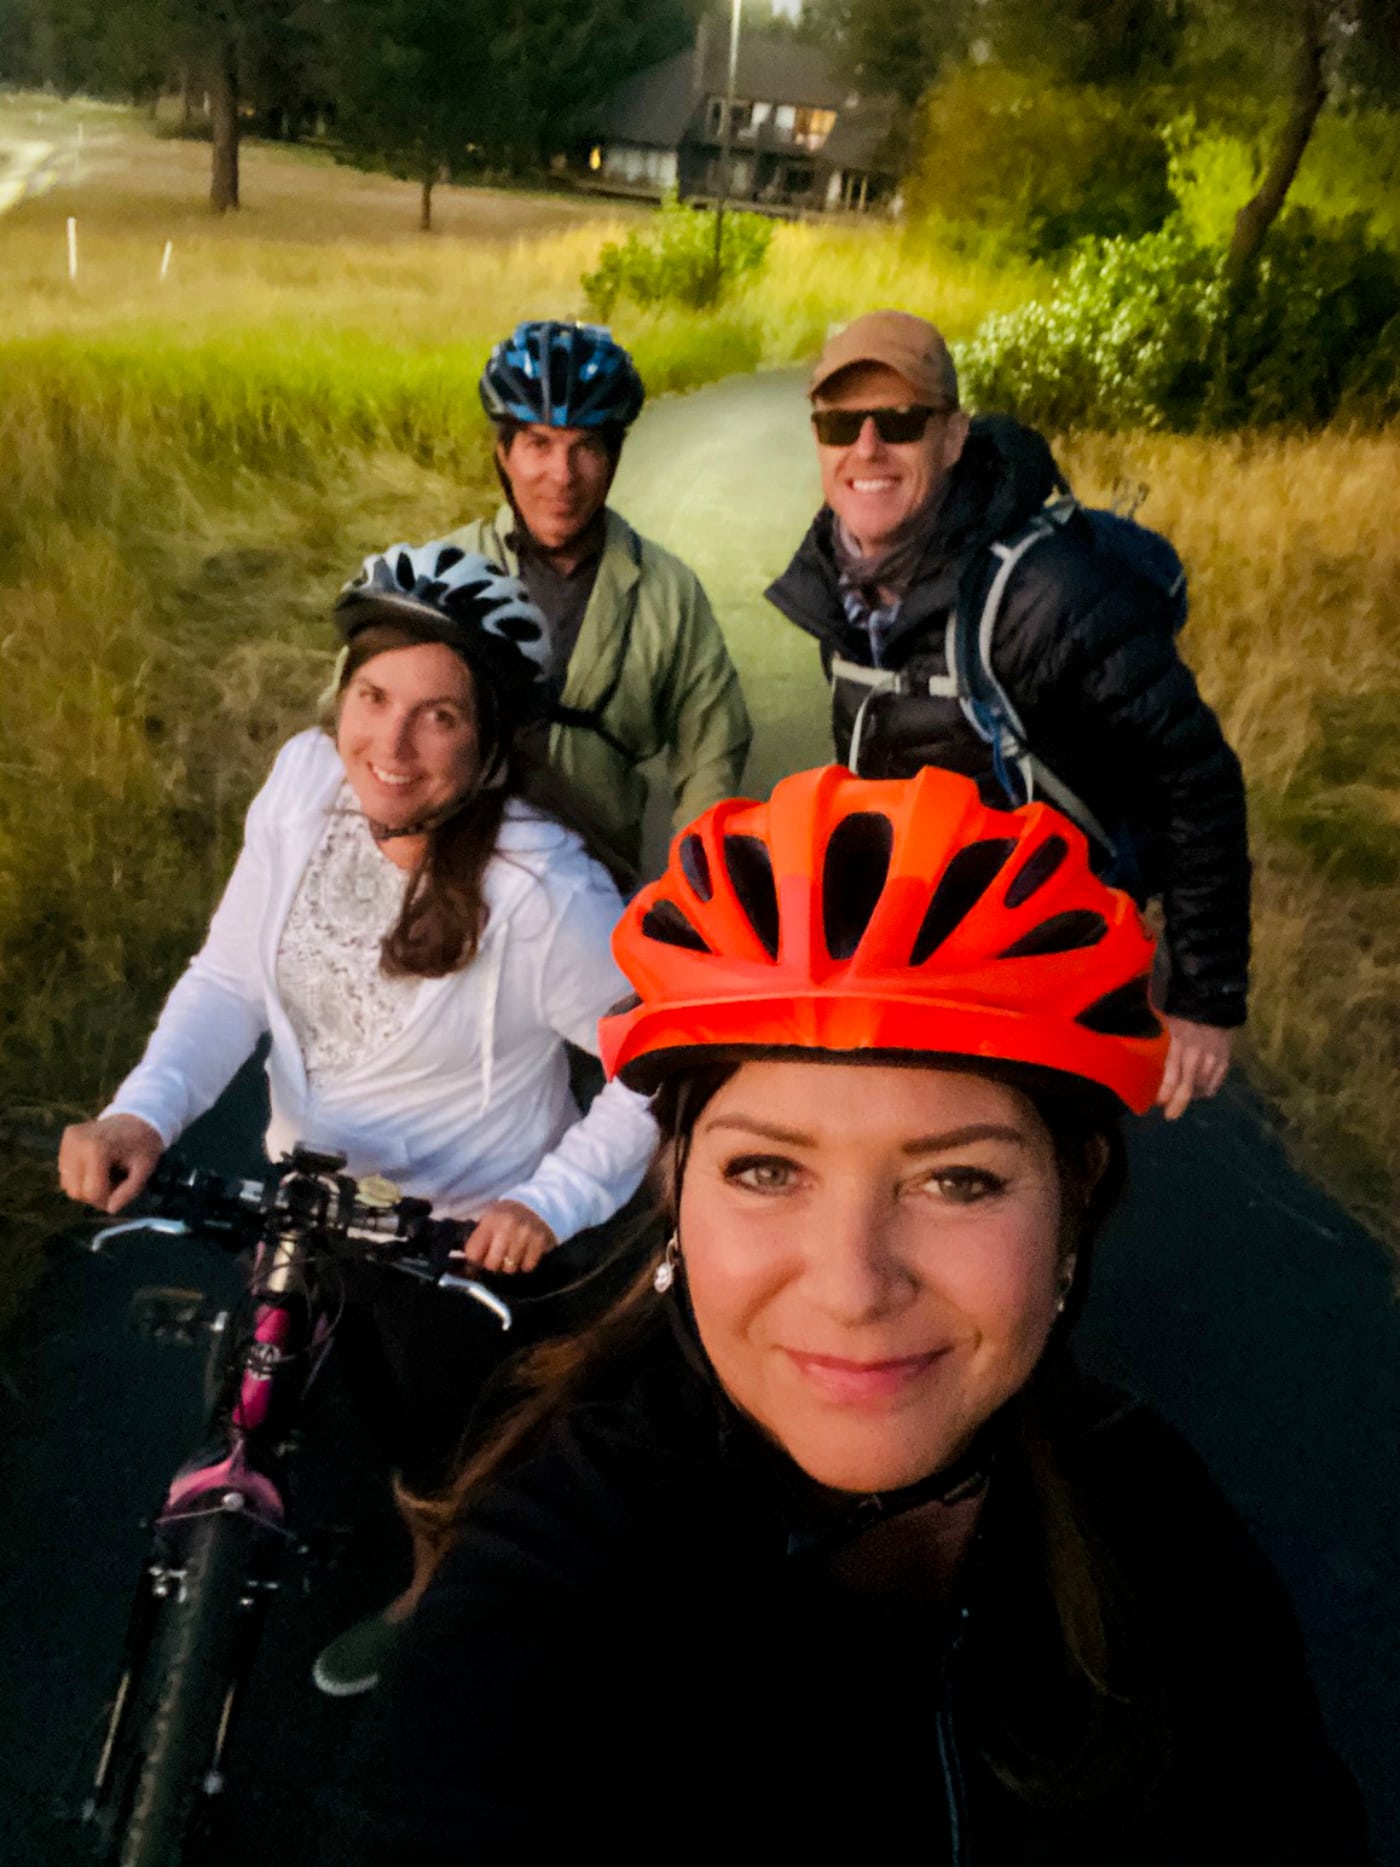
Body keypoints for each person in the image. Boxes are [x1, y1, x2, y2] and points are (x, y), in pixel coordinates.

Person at [344, 766, 1367, 1863]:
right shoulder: (543, 1594)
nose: (849, 1285)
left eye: (956, 1180)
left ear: (1074, 1196)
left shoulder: (1154, 1516)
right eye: (767, 1170)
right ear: (674, 1190)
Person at [58, 542, 657, 1696]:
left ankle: (433, 1593)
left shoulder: (543, 890)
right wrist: (143, 1111)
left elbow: (655, 1069)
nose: (387, 745)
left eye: (438, 717)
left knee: (443, 1465)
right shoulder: (301, 786)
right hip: (306, 1198)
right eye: (372, 697)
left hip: (454, 1244)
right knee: (277, 1408)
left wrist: (549, 1200)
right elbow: (232, 978)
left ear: (489, 741)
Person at [764, 309, 1251, 1123]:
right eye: (841, 423)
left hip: (1055, 972)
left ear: (953, 438)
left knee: (1032, 1191)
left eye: (903, 422)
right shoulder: (840, 587)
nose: (868, 447)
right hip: (921, 964)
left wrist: (1206, 999)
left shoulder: (1045, 598)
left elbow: (1196, 777)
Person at [441, 318, 752, 882]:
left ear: (614, 457)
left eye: (585, 447)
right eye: (539, 443)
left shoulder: (668, 592)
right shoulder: (445, 574)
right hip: (451, 876)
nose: (562, 476)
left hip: (594, 885)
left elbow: (713, 754)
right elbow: (358, 719)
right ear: (503, 453)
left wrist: (693, 890)